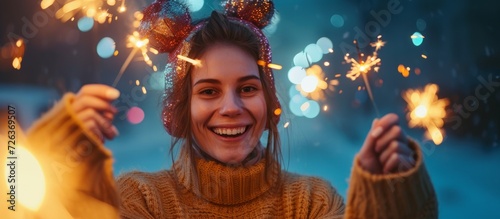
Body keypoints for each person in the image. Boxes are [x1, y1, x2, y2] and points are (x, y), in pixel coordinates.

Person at [23, 0, 437, 218]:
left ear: (269, 103)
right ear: (181, 109)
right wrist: (64, 168)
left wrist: (389, 202)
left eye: (247, 88)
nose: (231, 107)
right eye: (207, 92)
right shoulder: (141, 199)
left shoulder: (311, 204)